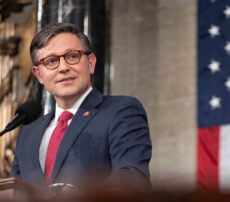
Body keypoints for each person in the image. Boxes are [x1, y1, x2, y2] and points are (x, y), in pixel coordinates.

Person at [10, 23, 152, 191]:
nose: (63, 68)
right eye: (51, 61)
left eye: (72, 56)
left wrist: (79, 200)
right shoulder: (28, 134)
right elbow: (14, 196)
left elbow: (133, 180)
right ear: (39, 75)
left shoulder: (121, 111)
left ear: (90, 63)